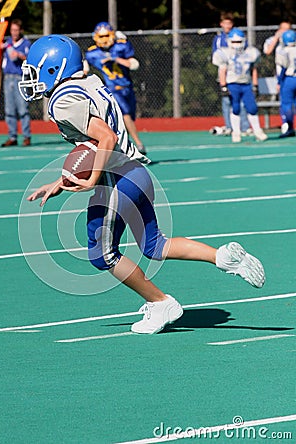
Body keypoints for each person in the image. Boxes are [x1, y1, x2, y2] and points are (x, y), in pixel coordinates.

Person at [19, 34, 265, 334]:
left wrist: (91, 179)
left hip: (115, 179)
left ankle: (161, 302)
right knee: (154, 244)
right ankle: (223, 257)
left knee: (102, 254)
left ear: (53, 68)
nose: (29, 77)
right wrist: (65, 178)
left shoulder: (63, 102)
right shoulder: (88, 83)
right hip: (135, 173)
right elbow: (95, 143)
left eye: (34, 70)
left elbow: (105, 137)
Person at [83, 22, 146, 155]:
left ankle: (124, 148)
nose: (104, 39)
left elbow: (134, 64)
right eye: (101, 36)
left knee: (129, 119)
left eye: (106, 35)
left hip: (127, 87)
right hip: (112, 89)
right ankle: (139, 144)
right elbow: (84, 68)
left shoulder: (120, 46)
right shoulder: (93, 53)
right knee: (125, 116)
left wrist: (115, 59)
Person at [213, 28, 268, 143]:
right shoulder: (224, 53)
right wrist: (223, 86)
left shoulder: (250, 52)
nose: (237, 45)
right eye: (234, 42)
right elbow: (222, 70)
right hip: (233, 84)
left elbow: (253, 69)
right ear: (229, 41)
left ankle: (258, 131)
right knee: (236, 108)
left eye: (239, 42)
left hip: (246, 84)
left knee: (252, 108)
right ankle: (236, 132)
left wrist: (255, 84)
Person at [212, 13, 250, 136]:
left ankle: (244, 127)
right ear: (221, 24)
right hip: (226, 73)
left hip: (238, 74)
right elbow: (217, 56)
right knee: (226, 100)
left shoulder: (239, 35)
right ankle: (229, 126)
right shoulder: (218, 39)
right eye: (225, 23)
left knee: (241, 101)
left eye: (229, 23)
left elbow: (246, 54)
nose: (227, 26)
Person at [0, 19, 32, 147]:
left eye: (16, 30)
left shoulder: (25, 43)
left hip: (20, 79)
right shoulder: (7, 43)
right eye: (12, 30)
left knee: (22, 108)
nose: (14, 33)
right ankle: (12, 136)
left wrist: (18, 55)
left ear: (20, 31)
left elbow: (28, 58)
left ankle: (26, 136)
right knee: (9, 109)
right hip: (7, 78)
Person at [263, 20, 294, 137]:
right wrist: (276, 38)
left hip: (288, 77)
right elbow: (267, 51)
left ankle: (288, 127)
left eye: (287, 29)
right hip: (285, 77)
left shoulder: (292, 41)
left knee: (288, 103)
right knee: (286, 103)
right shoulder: (274, 40)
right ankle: (287, 126)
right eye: (283, 29)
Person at [275, 30, 296, 137]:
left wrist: (279, 81)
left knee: (287, 105)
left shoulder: (283, 51)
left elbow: (283, 67)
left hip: (289, 79)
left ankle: (289, 127)